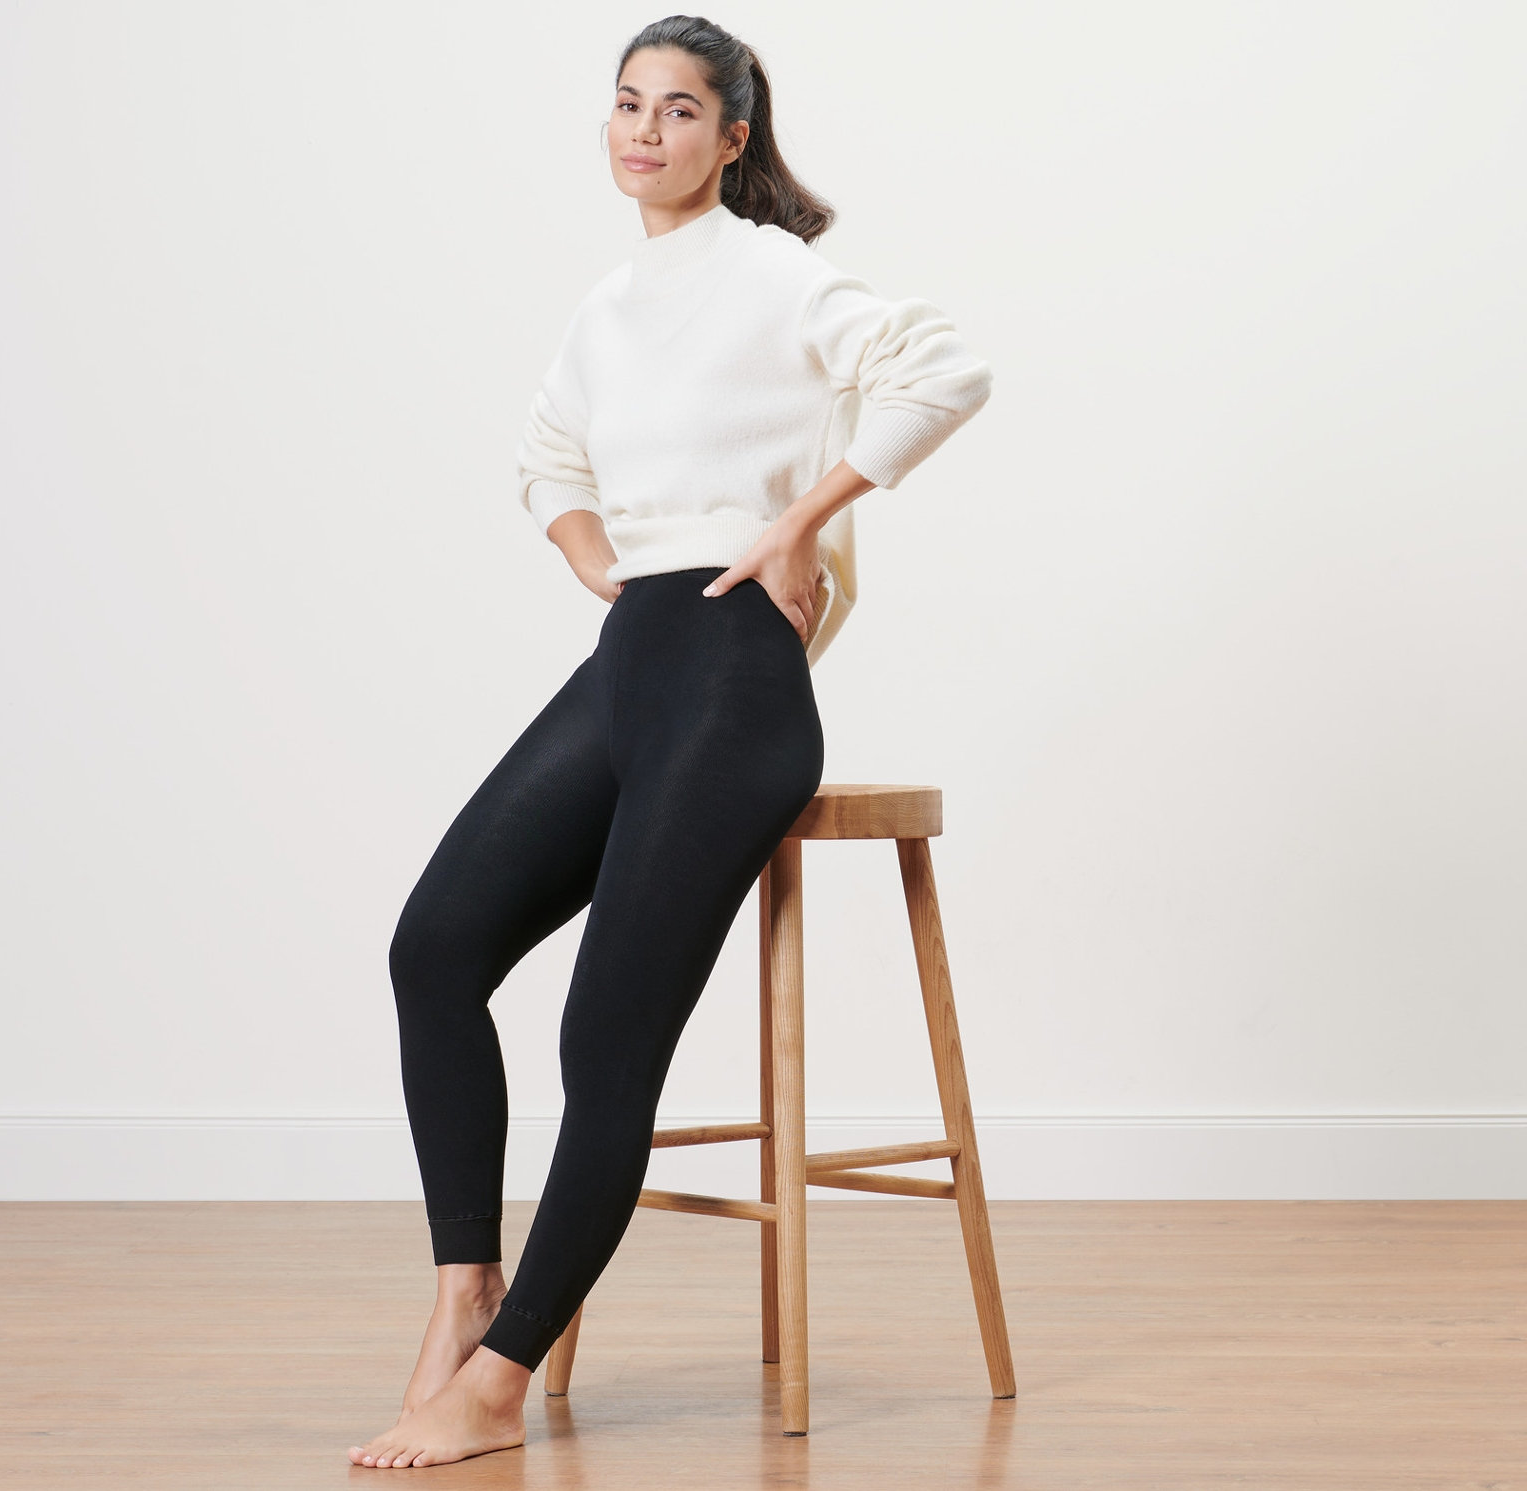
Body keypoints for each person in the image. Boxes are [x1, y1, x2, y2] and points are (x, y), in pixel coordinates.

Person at [350, 14, 992, 1470]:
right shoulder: (611, 303)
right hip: (631, 657)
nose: (643, 132)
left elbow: (943, 368)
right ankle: (468, 1287)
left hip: (735, 690)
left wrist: (799, 519)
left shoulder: (774, 276)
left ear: (733, 136)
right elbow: (546, 455)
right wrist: (593, 553)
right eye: (625, 107)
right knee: (434, 948)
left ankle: (502, 1384)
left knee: (601, 1038)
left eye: (679, 110)